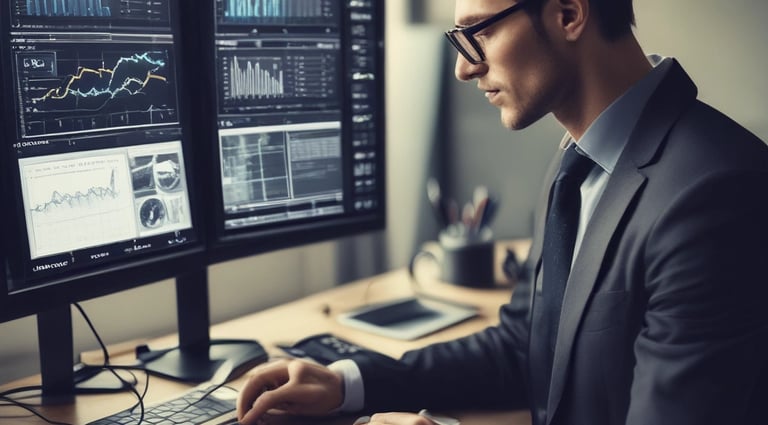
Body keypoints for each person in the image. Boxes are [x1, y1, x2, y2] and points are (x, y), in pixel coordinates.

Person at [236, 0, 768, 424]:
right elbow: (524, 346)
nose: (465, 68)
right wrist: (350, 382)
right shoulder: (579, 159)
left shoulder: (716, 192)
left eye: (480, 32)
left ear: (567, 14)